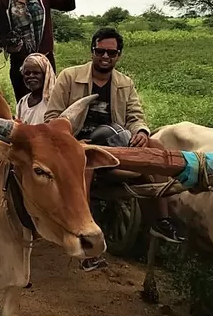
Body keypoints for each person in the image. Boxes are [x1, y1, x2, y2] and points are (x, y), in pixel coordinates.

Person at [44, 27, 186, 272]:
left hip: (114, 142)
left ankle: (162, 220)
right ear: (92, 52)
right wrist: (72, 141)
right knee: (85, 159)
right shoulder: (69, 77)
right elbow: (52, 117)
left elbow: (135, 116)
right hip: (77, 143)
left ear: (119, 55)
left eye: (112, 52)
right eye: (100, 51)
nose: (105, 57)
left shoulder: (124, 83)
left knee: (156, 146)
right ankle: (84, 234)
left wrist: (141, 131)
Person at [0, 0, 75, 103]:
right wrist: (11, 45)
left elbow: (69, 5)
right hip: (21, 62)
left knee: (49, 101)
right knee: (26, 103)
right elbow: (3, 30)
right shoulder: (6, 0)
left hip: (44, 59)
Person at [14, 53, 55, 125]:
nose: (31, 76)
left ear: (45, 75)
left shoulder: (53, 101)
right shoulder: (22, 102)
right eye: (27, 73)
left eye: (36, 73)